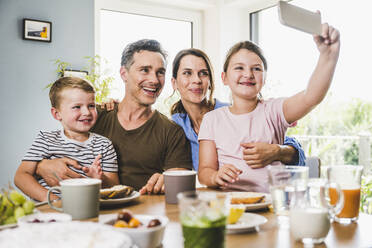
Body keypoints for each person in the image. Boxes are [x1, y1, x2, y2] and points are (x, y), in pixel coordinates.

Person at [35, 39, 193, 195]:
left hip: (142, 216)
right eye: (145, 70)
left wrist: (168, 181)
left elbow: (180, 184)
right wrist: (41, 165)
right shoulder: (93, 116)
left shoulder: (172, 132)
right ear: (124, 74)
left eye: (160, 72)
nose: (154, 80)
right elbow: (57, 148)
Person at [198, 23, 340, 192]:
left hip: (273, 204)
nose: (248, 74)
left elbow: (311, 97)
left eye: (256, 69)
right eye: (239, 68)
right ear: (224, 78)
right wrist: (215, 176)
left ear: (264, 79)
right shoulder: (212, 119)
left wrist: (328, 56)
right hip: (231, 205)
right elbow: (205, 170)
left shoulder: (274, 110)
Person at [170, 48, 305, 172]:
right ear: (174, 83)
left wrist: (278, 152)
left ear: (210, 81)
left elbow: (294, 152)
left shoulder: (232, 112)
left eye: (203, 73)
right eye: (187, 73)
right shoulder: (176, 126)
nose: (197, 80)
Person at [14, 77, 120, 201]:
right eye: (77, 107)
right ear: (57, 114)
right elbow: (21, 176)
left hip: (88, 209)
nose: (86, 112)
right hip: (49, 211)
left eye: (91, 105)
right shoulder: (46, 140)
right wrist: (55, 201)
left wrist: (100, 179)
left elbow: (114, 186)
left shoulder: (104, 145)